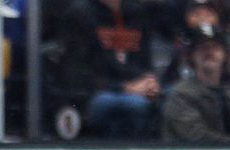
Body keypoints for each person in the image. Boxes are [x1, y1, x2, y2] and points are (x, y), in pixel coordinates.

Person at [53, 0, 160, 139]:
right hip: (91, 94)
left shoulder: (137, 13)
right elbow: (75, 75)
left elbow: (145, 61)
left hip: (134, 89)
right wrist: (124, 88)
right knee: (134, 105)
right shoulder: (80, 13)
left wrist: (150, 82)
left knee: (167, 97)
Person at [161, 24, 230, 142]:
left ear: (225, 55)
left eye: (214, 47)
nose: (209, 52)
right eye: (202, 48)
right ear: (191, 56)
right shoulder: (180, 96)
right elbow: (197, 137)